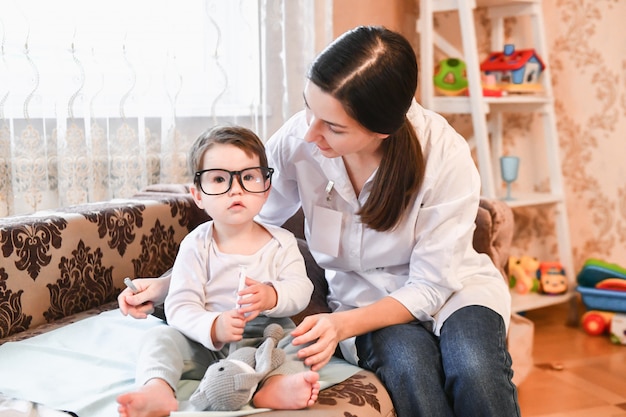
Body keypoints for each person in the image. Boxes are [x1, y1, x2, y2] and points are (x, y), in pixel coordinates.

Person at [119, 25, 521, 417]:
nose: (311, 133)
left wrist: (340, 325)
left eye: (333, 126)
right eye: (310, 108)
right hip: (362, 299)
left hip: (455, 291)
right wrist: (165, 285)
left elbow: (433, 285)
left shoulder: (444, 155)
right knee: (410, 367)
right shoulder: (299, 140)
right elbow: (241, 226)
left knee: (474, 367)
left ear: (382, 130)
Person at [117, 126, 320, 417]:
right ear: (198, 195)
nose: (235, 189)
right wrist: (213, 326)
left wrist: (272, 295)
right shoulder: (196, 244)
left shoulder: (282, 242)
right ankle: (157, 389)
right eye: (219, 179)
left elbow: (301, 290)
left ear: (266, 189)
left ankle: (273, 387)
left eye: (248, 177)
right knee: (159, 340)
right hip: (206, 343)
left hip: (266, 339)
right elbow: (180, 305)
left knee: (302, 342)